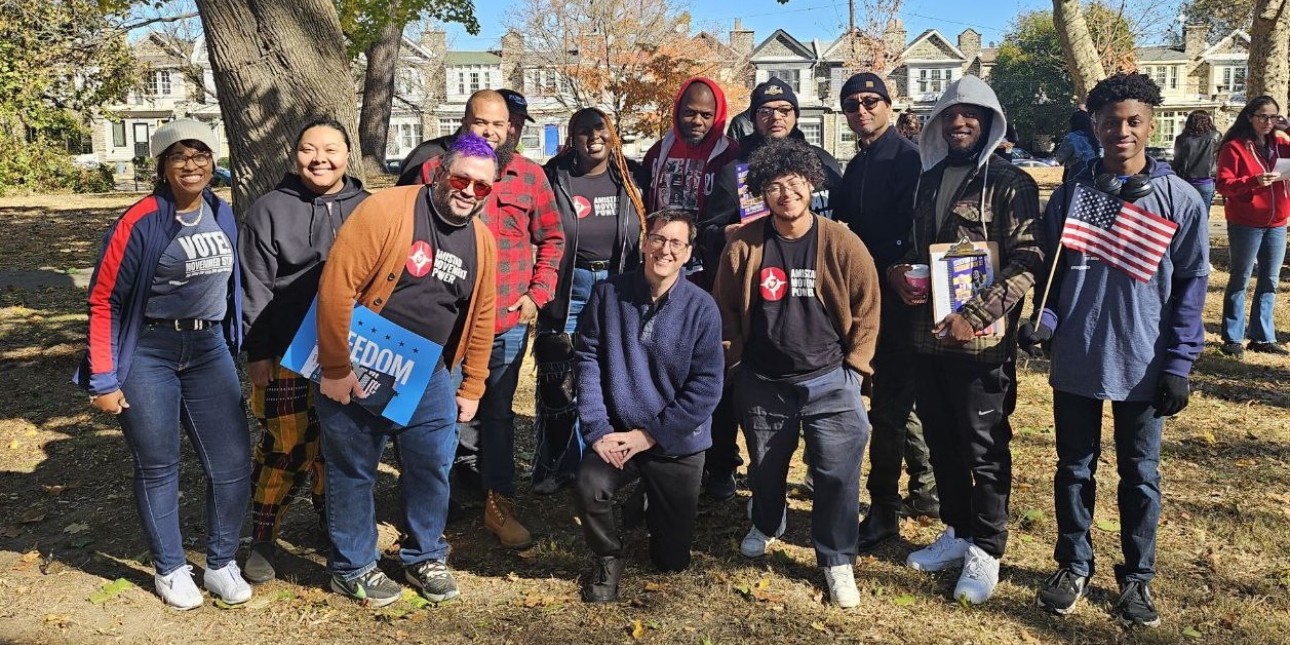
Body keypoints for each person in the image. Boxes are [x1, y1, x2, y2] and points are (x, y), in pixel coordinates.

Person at [1026, 72, 1209, 628]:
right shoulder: (1075, 194)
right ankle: (1074, 563)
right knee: (1074, 468)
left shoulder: (1179, 199)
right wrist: (1047, 319)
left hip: (1144, 362)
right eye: (1111, 122)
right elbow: (1053, 273)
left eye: (1133, 121)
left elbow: (1191, 285)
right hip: (1078, 357)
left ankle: (1136, 578)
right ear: (1096, 125)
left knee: (1140, 474)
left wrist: (1180, 363)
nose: (1121, 131)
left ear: (1151, 125)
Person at [74, 119, 252, 609]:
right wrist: (105, 378)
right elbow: (104, 300)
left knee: (233, 462)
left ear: (213, 162)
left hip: (208, 348)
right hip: (149, 351)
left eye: (200, 154)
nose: (191, 164)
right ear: (162, 166)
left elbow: (235, 285)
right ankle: (170, 568)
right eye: (179, 156)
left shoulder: (222, 211)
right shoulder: (139, 221)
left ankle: (220, 562)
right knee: (158, 465)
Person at [313, 133, 498, 606]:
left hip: (429, 369)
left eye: (482, 188)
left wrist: (473, 384)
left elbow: (481, 317)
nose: (469, 193)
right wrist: (335, 367)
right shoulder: (386, 211)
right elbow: (337, 286)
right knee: (354, 468)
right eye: (462, 180)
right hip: (360, 355)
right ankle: (352, 566)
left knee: (432, 463)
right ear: (439, 173)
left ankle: (424, 554)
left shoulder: (482, 240)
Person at [886, 75, 1043, 605]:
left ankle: (988, 549)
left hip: (981, 344)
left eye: (971, 115)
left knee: (984, 447)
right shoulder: (929, 181)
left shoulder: (1011, 182)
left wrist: (974, 316)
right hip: (927, 337)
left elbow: (1027, 262)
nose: (959, 123)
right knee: (940, 438)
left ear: (990, 122)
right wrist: (900, 274)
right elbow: (920, 248)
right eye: (949, 116)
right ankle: (957, 530)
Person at [713, 137, 881, 609]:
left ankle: (837, 557)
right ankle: (768, 521)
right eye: (773, 186)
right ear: (761, 194)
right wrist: (737, 361)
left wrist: (855, 368)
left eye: (794, 183)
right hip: (764, 381)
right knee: (765, 469)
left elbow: (869, 308)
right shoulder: (745, 244)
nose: (785, 194)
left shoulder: (841, 241)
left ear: (811, 183)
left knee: (837, 474)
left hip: (831, 379)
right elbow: (725, 307)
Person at [418, 90, 565, 549]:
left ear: (510, 129)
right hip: (447, 323)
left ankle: (499, 504)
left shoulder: (531, 177)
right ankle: (435, 504)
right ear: (464, 123)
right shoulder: (434, 172)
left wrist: (536, 296)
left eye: (498, 125)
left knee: (497, 414)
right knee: (441, 414)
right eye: (480, 122)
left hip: (505, 321)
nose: (490, 132)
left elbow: (553, 239)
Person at [699, 77, 844, 500]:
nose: (775, 117)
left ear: (796, 115)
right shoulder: (735, 171)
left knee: (821, 388)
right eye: (765, 111)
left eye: (784, 110)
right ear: (753, 117)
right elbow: (707, 229)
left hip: (814, 295)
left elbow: (845, 223)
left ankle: (820, 469)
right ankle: (724, 466)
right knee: (733, 385)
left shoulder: (823, 163)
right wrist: (730, 231)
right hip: (756, 299)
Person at [238, 118, 369, 583]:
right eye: (309, 150)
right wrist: (257, 352)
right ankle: (263, 537)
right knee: (285, 444)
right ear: (295, 156)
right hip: (286, 349)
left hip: (352, 352)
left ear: (347, 155)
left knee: (341, 446)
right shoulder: (269, 210)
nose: (320, 159)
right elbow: (253, 287)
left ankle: (335, 526)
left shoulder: (368, 208)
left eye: (330, 149)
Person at [572, 209, 724, 603]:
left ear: (689, 253)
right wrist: (597, 430)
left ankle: (646, 498)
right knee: (589, 484)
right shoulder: (608, 294)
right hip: (619, 433)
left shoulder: (702, 308)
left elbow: (706, 388)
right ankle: (608, 555)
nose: (665, 249)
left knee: (671, 560)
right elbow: (587, 360)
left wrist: (650, 435)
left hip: (675, 441)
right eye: (658, 239)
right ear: (644, 242)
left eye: (676, 243)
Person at [832, 72, 939, 553]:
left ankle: (884, 509)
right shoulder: (855, 166)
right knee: (893, 401)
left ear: (889, 105)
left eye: (870, 101)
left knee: (892, 408)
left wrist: (897, 265)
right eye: (852, 104)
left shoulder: (909, 158)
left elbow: (920, 230)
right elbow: (846, 232)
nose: (861, 110)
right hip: (864, 295)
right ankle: (924, 486)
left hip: (904, 300)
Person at [532, 108, 646, 494]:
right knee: (559, 379)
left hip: (618, 283)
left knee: (615, 372)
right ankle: (557, 464)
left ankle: (611, 463)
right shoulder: (555, 175)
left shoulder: (631, 176)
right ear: (571, 137)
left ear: (612, 134)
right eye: (583, 131)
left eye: (600, 129)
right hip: (571, 285)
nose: (592, 137)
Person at [1215, 95, 1290, 358]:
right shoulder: (1234, 147)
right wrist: (1253, 181)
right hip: (1245, 223)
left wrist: (1288, 126)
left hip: (1278, 222)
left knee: (1270, 280)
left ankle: (1262, 336)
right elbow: (1223, 185)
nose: (1268, 122)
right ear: (1250, 117)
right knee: (1241, 278)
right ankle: (1233, 337)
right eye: (1263, 116)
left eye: (1274, 117)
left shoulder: (1281, 143)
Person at [641, 77, 740, 234]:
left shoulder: (733, 155)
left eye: (706, 115)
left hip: (709, 252)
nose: (697, 121)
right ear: (677, 112)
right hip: (665, 248)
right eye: (689, 113)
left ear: (717, 116)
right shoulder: (657, 152)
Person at [396, 88, 534, 186]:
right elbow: (404, 211)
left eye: (519, 125)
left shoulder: (529, 172)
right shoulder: (428, 158)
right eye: (483, 122)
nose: (512, 131)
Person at [1173, 110, 1221, 217]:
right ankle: (1201, 233)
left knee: (1186, 215)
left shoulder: (1181, 139)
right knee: (1203, 215)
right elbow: (1221, 159)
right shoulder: (1215, 136)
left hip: (1186, 181)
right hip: (1206, 181)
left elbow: (1177, 161)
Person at [1053, 109, 1100, 183]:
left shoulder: (1071, 138)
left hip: (1074, 173)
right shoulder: (1094, 137)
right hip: (1092, 174)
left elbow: (1060, 157)